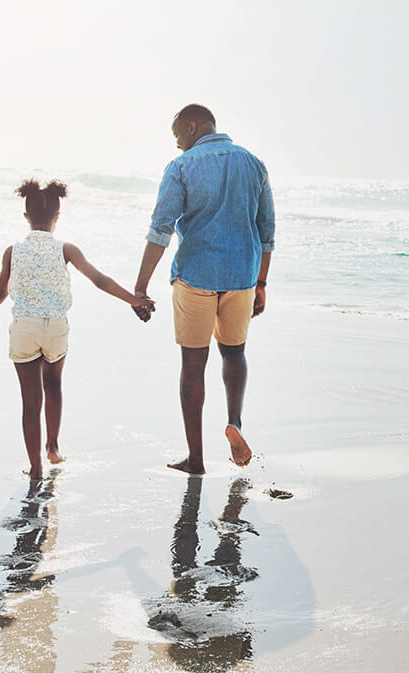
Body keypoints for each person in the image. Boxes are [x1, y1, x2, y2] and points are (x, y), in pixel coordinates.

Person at [133, 104, 275, 474]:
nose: (178, 144)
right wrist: (260, 283)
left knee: (193, 365)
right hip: (242, 277)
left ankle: (195, 460)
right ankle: (235, 423)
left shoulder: (181, 167)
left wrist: (140, 286)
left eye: (179, 135)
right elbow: (267, 232)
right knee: (234, 352)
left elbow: (160, 230)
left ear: (193, 126)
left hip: (195, 277)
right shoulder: (254, 164)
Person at [0, 179, 151, 479]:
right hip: (56, 328)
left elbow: (0, 291)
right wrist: (133, 300)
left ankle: (35, 468)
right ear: (57, 218)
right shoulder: (66, 249)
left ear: (26, 217)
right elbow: (99, 280)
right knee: (54, 385)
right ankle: (53, 447)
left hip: (24, 329)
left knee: (30, 401)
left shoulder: (12, 251)